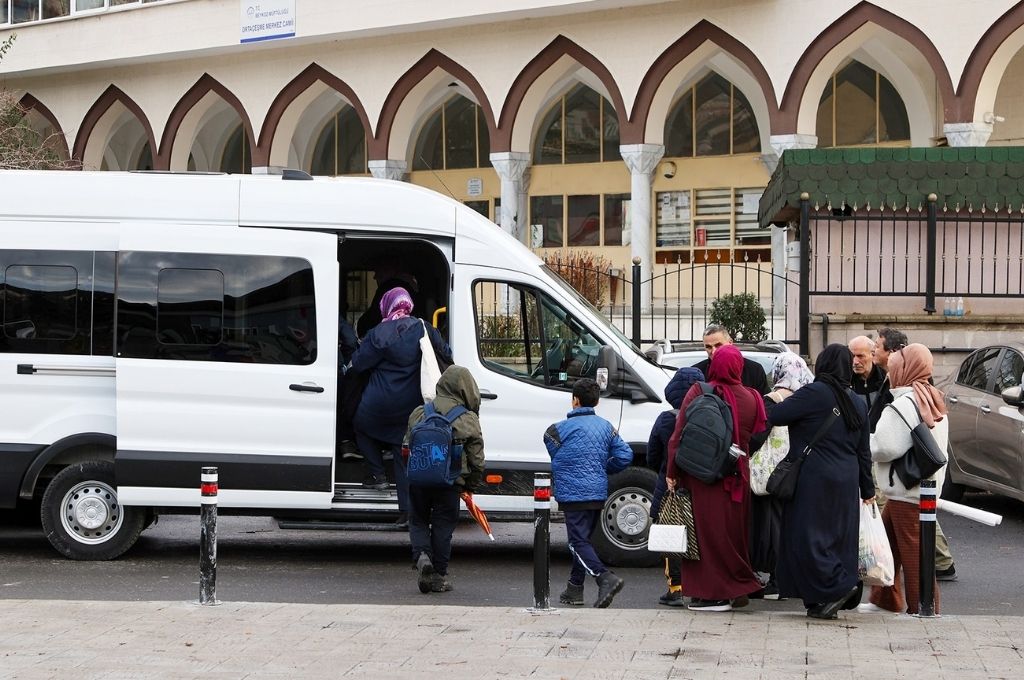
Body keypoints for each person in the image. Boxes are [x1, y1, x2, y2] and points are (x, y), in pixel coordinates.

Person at [768, 344, 874, 620]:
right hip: (847, 479)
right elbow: (864, 451)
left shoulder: (815, 393)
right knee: (838, 539)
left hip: (815, 477)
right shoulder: (857, 401)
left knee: (808, 537)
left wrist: (776, 395)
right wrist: (868, 489)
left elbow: (776, 415)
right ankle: (821, 599)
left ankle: (837, 589)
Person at [666, 345, 765, 612]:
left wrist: (671, 471)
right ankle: (737, 585)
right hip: (737, 474)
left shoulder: (700, 391)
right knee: (734, 535)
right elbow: (757, 435)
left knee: (706, 536)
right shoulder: (754, 397)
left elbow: (679, 435)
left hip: (702, 476)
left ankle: (714, 595)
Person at [349, 287, 453, 524]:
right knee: (401, 449)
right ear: (408, 305)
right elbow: (446, 353)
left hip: (376, 403)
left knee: (359, 427)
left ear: (386, 305)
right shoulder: (424, 328)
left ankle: (376, 472)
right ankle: (406, 512)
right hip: (410, 405)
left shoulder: (378, 333)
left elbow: (359, 363)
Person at [864, 343, 949, 615]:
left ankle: (924, 608)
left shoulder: (904, 403)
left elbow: (883, 446)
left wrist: (861, 442)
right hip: (922, 488)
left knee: (915, 557)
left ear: (904, 368)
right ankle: (885, 599)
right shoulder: (933, 398)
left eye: (894, 367)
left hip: (904, 491)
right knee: (888, 548)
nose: (890, 372)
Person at [544, 378, 633, 608]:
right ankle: (575, 589)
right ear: (597, 402)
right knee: (584, 541)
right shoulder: (606, 427)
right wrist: (602, 468)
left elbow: (553, 449)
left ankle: (605, 578)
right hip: (597, 493)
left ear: (574, 400)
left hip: (573, 494)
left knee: (576, 543)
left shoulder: (556, 430)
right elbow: (625, 455)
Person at [404, 365, 485, 594]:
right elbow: (477, 459)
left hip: (419, 479)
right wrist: (470, 486)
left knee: (418, 520)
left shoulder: (420, 412)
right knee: (443, 527)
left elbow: (406, 445)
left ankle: (422, 557)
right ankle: (438, 577)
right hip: (450, 482)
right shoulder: (468, 419)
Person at [747, 351, 815, 599]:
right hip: (798, 470)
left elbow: (755, 436)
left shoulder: (770, 400)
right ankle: (787, 576)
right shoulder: (809, 400)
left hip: (770, 474)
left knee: (768, 525)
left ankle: (771, 576)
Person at [647, 366, 704, 607]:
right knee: (700, 536)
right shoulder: (706, 416)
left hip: (669, 486)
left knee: (673, 535)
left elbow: (652, 455)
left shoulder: (665, 419)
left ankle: (676, 587)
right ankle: (701, 586)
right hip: (700, 485)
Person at [694, 324, 770, 396]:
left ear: (730, 342)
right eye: (708, 347)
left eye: (718, 345)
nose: (714, 351)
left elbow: (764, 404)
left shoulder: (754, 370)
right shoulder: (696, 372)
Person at [849, 335, 886, 417]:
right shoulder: (845, 381)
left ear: (872, 355)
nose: (855, 362)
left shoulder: (886, 379)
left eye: (860, 356)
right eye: (852, 356)